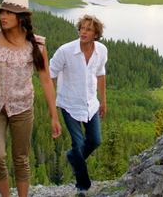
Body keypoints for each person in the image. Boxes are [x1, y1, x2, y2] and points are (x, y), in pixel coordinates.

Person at [0, 0, 62, 197]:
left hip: (22, 108)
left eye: (9, 13)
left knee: (21, 158)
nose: (3, 16)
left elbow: (46, 80)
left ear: (21, 17)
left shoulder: (36, 45)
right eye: (2, 12)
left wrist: (54, 116)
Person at [49, 14, 107, 196]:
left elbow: (100, 74)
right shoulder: (65, 51)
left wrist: (103, 100)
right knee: (78, 143)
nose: (83, 32)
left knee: (95, 140)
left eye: (88, 29)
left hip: (91, 104)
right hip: (68, 104)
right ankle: (83, 186)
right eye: (82, 28)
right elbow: (50, 74)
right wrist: (52, 108)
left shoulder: (102, 50)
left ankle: (74, 157)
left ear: (96, 33)